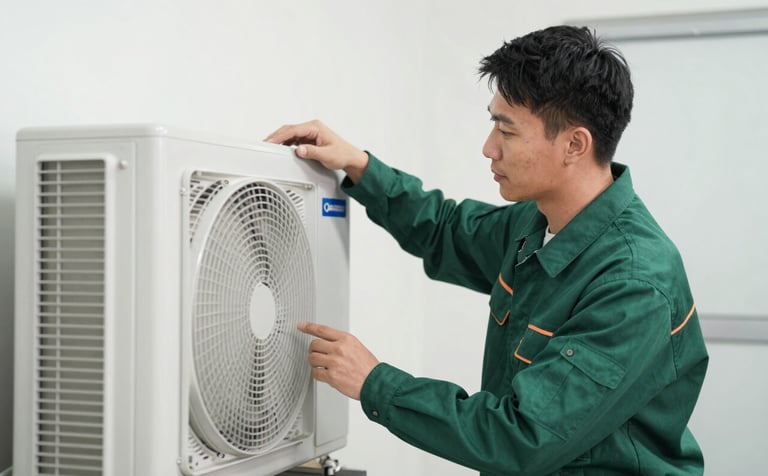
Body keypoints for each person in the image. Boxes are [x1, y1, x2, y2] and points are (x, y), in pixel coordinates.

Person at [265, 25, 708, 475]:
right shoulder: (536, 222)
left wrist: (375, 383)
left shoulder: (633, 284)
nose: (488, 148)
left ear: (574, 144)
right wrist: (358, 165)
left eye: (507, 130)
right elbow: (446, 229)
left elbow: (521, 437)